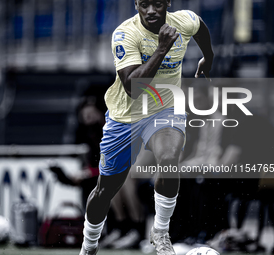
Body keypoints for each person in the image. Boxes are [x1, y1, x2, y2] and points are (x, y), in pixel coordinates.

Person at [79, 0, 214, 254]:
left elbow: (200, 27)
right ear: (136, 5)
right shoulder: (124, 34)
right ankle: (89, 244)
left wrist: (208, 56)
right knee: (105, 189)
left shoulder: (182, 22)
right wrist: (162, 49)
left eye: (157, 4)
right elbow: (132, 88)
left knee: (170, 157)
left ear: (168, 3)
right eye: (144, 4)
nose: (151, 10)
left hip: (165, 108)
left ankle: (161, 233)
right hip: (126, 116)